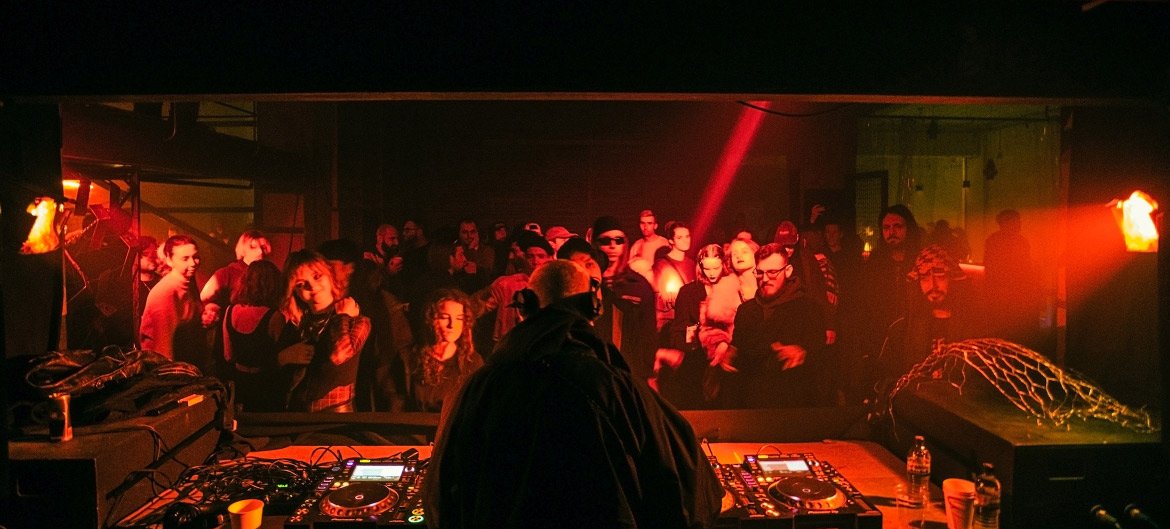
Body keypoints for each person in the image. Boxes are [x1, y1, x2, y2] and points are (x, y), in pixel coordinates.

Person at [427, 259, 722, 529]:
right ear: (593, 307)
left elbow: (439, 500)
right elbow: (698, 496)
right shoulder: (623, 391)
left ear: (525, 308)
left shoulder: (475, 389)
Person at [728, 243, 826, 408]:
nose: (765, 279)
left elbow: (821, 354)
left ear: (787, 271)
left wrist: (804, 352)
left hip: (794, 406)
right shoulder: (746, 310)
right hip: (752, 408)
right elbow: (740, 356)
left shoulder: (808, 308)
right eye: (760, 272)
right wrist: (731, 354)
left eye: (772, 272)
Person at [280, 249, 371, 412]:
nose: (312, 287)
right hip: (296, 417)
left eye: (317, 276)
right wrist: (282, 358)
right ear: (295, 292)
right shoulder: (296, 324)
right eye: (301, 284)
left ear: (329, 275)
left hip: (334, 420)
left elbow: (339, 355)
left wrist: (341, 316)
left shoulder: (357, 320)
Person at [880, 245, 980, 382]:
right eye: (925, 278)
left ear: (953, 278)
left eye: (940, 276)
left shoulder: (975, 326)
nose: (933, 285)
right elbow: (888, 376)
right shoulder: (902, 328)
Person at [591, 215, 657, 386]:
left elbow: (648, 334)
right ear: (595, 244)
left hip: (629, 371)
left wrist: (647, 375)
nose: (613, 246)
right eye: (606, 241)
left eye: (618, 240)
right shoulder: (584, 283)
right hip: (593, 369)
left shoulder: (639, 285)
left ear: (625, 243)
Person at [218, 260, 288, 412]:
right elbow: (281, 358)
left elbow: (228, 355)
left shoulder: (230, 311)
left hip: (239, 383)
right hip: (265, 385)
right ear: (273, 286)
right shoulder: (275, 317)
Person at [405, 289, 482, 412]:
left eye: (459, 318)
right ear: (431, 319)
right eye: (445, 317)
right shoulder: (411, 358)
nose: (452, 324)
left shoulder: (472, 363)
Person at [140, 235, 208, 368]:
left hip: (186, 365)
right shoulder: (166, 293)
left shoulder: (188, 284)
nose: (193, 263)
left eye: (195, 257)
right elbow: (164, 348)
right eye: (185, 259)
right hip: (169, 371)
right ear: (170, 260)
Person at [983, 208, 1041, 346]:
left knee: (1004, 327)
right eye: (1016, 221)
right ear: (1006, 223)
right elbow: (1023, 267)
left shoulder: (994, 240)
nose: (1019, 224)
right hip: (1008, 292)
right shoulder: (1018, 241)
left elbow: (989, 266)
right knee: (1010, 328)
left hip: (1006, 292)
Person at [200, 230, 271, 326]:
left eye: (263, 247)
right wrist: (212, 308)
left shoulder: (268, 274)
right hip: (232, 330)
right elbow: (204, 298)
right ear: (243, 250)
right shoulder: (227, 273)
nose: (260, 251)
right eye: (253, 247)